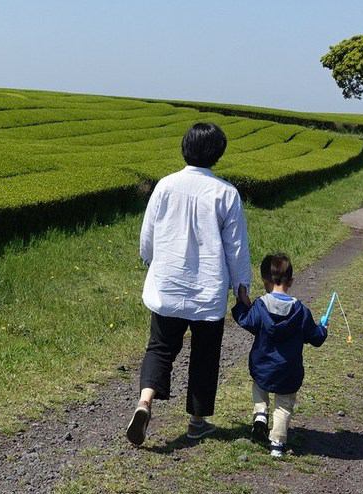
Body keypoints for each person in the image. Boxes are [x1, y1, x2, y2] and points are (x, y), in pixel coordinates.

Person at [126, 122, 252, 446]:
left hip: (167, 282)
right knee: (205, 354)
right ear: (217, 153)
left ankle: (145, 402)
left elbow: (148, 236)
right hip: (207, 289)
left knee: (160, 346)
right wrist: (242, 287)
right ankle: (197, 422)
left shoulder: (165, 186)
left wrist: (149, 261)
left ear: (185, 147)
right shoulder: (226, 193)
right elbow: (235, 247)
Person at [231, 253, 327, 457]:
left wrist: (242, 304)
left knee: (259, 386)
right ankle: (277, 444)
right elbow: (315, 338)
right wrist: (323, 328)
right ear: (291, 281)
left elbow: (247, 321)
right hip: (288, 370)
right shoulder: (300, 311)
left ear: (265, 280)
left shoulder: (260, 305)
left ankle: (260, 415)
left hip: (262, 366)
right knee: (284, 405)